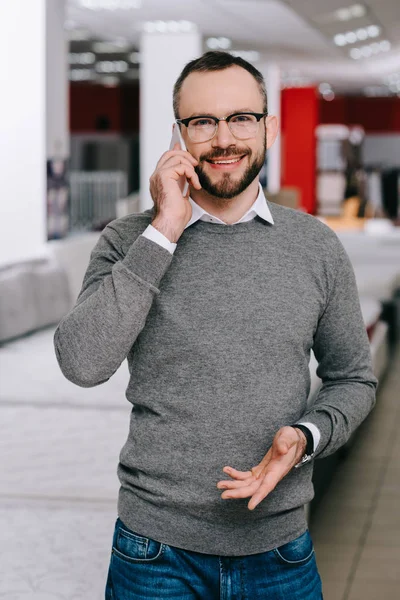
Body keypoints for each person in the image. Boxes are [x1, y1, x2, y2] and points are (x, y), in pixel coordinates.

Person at [54, 51, 378, 599]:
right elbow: (82, 363)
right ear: (179, 136)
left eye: (241, 118)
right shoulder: (129, 239)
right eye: (202, 122)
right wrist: (163, 231)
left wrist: (306, 437)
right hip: (153, 551)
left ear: (268, 128)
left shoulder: (315, 245)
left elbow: (353, 379)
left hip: (279, 549)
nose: (223, 138)